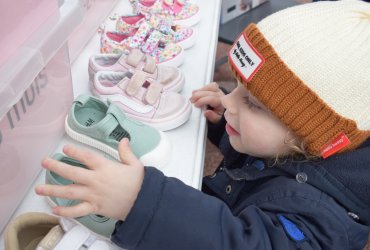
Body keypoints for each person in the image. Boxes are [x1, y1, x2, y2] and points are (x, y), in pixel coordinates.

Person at [35, 1, 370, 249]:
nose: (228, 100)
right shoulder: (302, 151)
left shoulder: (323, 224)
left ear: (313, 138)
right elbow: (266, 163)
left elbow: (241, 243)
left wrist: (143, 201)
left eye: (251, 102)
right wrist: (225, 124)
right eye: (237, 87)